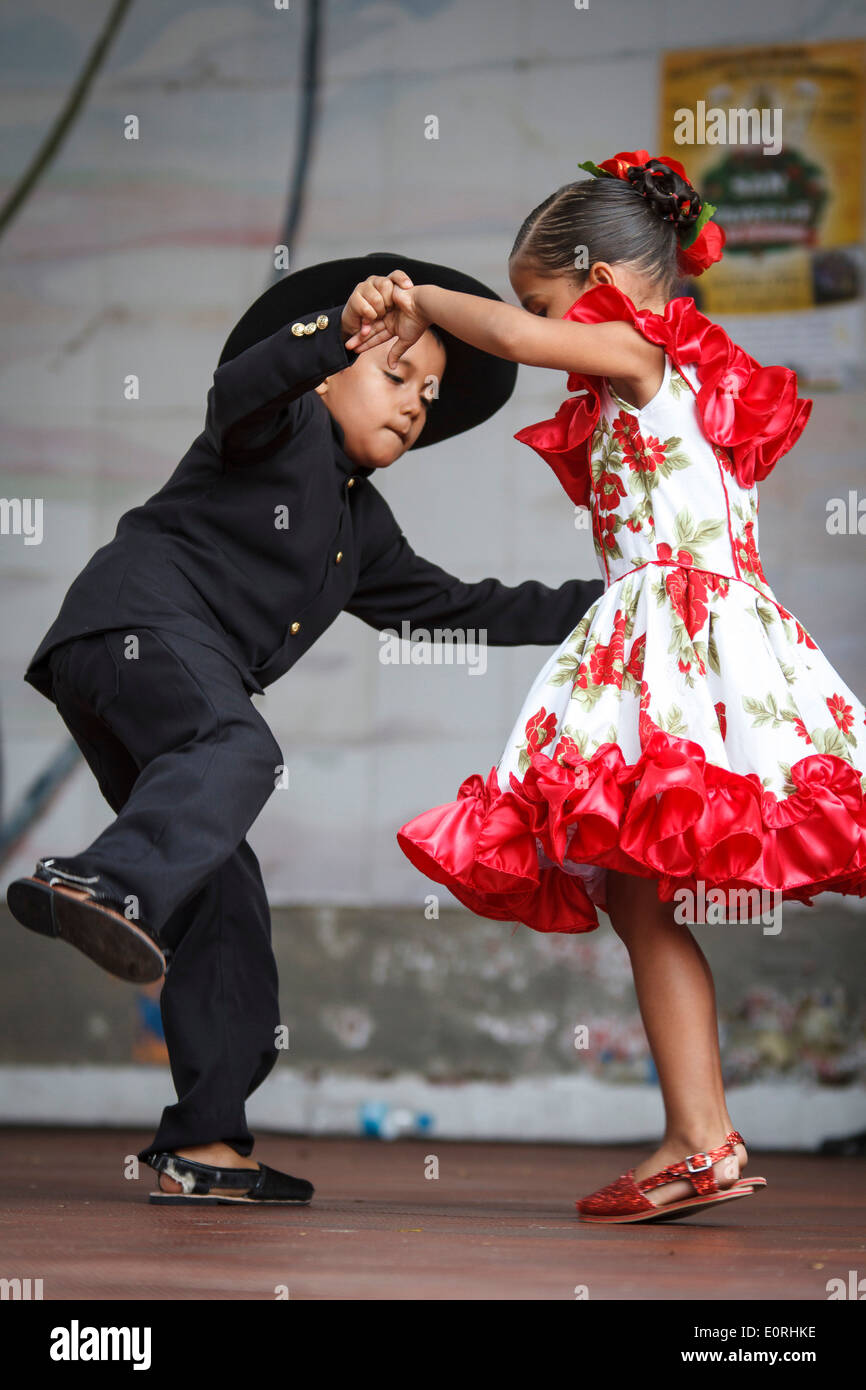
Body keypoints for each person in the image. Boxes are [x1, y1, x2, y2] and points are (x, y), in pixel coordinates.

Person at [7, 253, 606, 1205]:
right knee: (241, 747)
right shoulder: (269, 427)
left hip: (136, 670)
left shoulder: (360, 527)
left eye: (431, 396)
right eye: (394, 374)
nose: (415, 405)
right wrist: (332, 330)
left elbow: (456, 608)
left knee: (224, 890)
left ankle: (207, 1144)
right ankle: (104, 883)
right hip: (135, 626)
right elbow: (240, 385)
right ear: (328, 372)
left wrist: (616, 602)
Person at [354, 153, 866, 1223]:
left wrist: (418, 294)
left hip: (681, 642)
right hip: (704, 646)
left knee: (656, 886)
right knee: (638, 892)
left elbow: (513, 337)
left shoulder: (638, 348)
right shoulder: (685, 369)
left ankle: (697, 1134)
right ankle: (699, 1137)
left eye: (542, 295)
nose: (534, 324)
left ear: (603, 279)